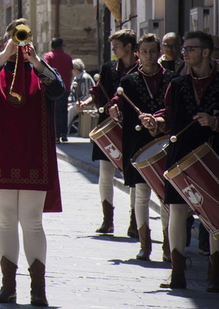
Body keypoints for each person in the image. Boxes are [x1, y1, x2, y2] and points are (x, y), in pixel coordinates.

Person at [0, 18, 64, 307]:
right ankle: (8, 286)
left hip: (35, 155)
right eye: (15, 36)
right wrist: (4, 55)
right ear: (6, 39)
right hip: (1, 154)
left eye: (23, 36)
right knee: (6, 221)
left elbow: (58, 90)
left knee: (33, 222)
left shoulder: (40, 71)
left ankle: (38, 290)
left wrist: (35, 60)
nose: (20, 41)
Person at [149, 30, 219, 292]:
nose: (184, 52)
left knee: (215, 214)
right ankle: (177, 272)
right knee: (176, 210)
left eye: (190, 48)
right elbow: (167, 114)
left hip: (213, 154)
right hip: (180, 155)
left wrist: (214, 122)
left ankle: (216, 274)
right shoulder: (177, 84)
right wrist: (155, 122)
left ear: (205, 52)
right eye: (184, 48)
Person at [106, 34, 176, 261]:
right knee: (141, 195)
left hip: (164, 143)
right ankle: (145, 245)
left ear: (159, 53)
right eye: (144, 52)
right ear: (138, 53)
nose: (148, 55)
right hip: (137, 143)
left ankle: (168, 245)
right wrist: (114, 109)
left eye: (152, 51)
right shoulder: (128, 81)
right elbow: (119, 104)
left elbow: (173, 109)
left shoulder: (171, 80)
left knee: (166, 197)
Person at [78, 29, 138, 236]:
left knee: (132, 176)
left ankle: (135, 222)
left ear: (129, 47)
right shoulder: (108, 68)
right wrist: (85, 102)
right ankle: (108, 220)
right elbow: (97, 89)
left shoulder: (142, 69)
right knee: (106, 173)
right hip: (107, 126)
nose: (113, 51)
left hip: (132, 127)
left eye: (116, 47)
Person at [43, 38, 73, 143]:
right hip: (65, 87)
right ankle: (64, 134)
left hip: (53, 87)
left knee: (54, 111)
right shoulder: (68, 57)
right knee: (63, 110)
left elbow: (46, 71)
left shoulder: (49, 56)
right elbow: (70, 72)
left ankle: (56, 135)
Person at [66, 59, 95, 132]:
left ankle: (63, 129)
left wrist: (73, 103)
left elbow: (86, 95)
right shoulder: (76, 78)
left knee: (70, 110)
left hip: (87, 104)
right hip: (77, 102)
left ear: (75, 69)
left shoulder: (85, 78)